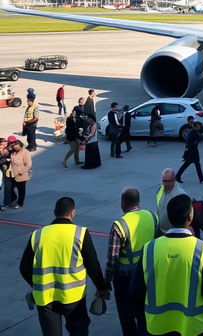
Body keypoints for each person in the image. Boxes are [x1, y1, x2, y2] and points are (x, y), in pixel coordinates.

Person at [131, 194, 203, 336]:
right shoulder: (202, 249)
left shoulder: (149, 248)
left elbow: (136, 291)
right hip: (194, 327)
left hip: (156, 326)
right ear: (190, 218)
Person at [19, 196, 110, 336]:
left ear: (54, 212)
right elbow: (93, 265)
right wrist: (102, 287)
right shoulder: (80, 234)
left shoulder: (38, 235)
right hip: (73, 297)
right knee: (78, 330)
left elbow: (24, 268)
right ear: (72, 212)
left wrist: (38, 284)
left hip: (45, 298)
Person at [105, 188, 158, 336]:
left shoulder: (119, 225)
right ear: (138, 202)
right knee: (144, 314)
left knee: (127, 316)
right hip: (148, 273)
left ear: (123, 203)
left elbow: (112, 259)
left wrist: (106, 281)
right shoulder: (152, 216)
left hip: (125, 279)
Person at [175, 117, 203, 183]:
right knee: (187, 164)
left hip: (193, 151)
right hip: (192, 152)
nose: (199, 127)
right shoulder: (193, 132)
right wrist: (195, 143)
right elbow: (189, 142)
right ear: (195, 126)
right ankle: (177, 176)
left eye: (199, 126)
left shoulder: (195, 132)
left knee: (197, 165)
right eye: (198, 126)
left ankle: (201, 178)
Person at [156, 168, 188, 234]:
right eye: (164, 181)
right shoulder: (160, 190)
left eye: (169, 181)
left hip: (173, 232)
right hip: (160, 230)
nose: (166, 183)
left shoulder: (180, 195)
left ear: (174, 180)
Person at [8, 138, 31, 208]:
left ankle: (20, 203)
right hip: (12, 173)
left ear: (21, 146)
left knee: (21, 190)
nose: (16, 148)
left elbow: (28, 164)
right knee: (10, 187)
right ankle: (14, 198)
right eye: (15, 147)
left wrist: (21, 172)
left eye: (17, 147)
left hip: (21, 174)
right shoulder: (13, 151)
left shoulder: (25, 152)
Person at [0, 137, 13, 209]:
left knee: (8, 186)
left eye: (5, 144)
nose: (4, 146)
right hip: (2, 169)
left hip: (7, 169)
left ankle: (7, 202)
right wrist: (4, 159)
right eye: (2, 145)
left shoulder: (8, 149)